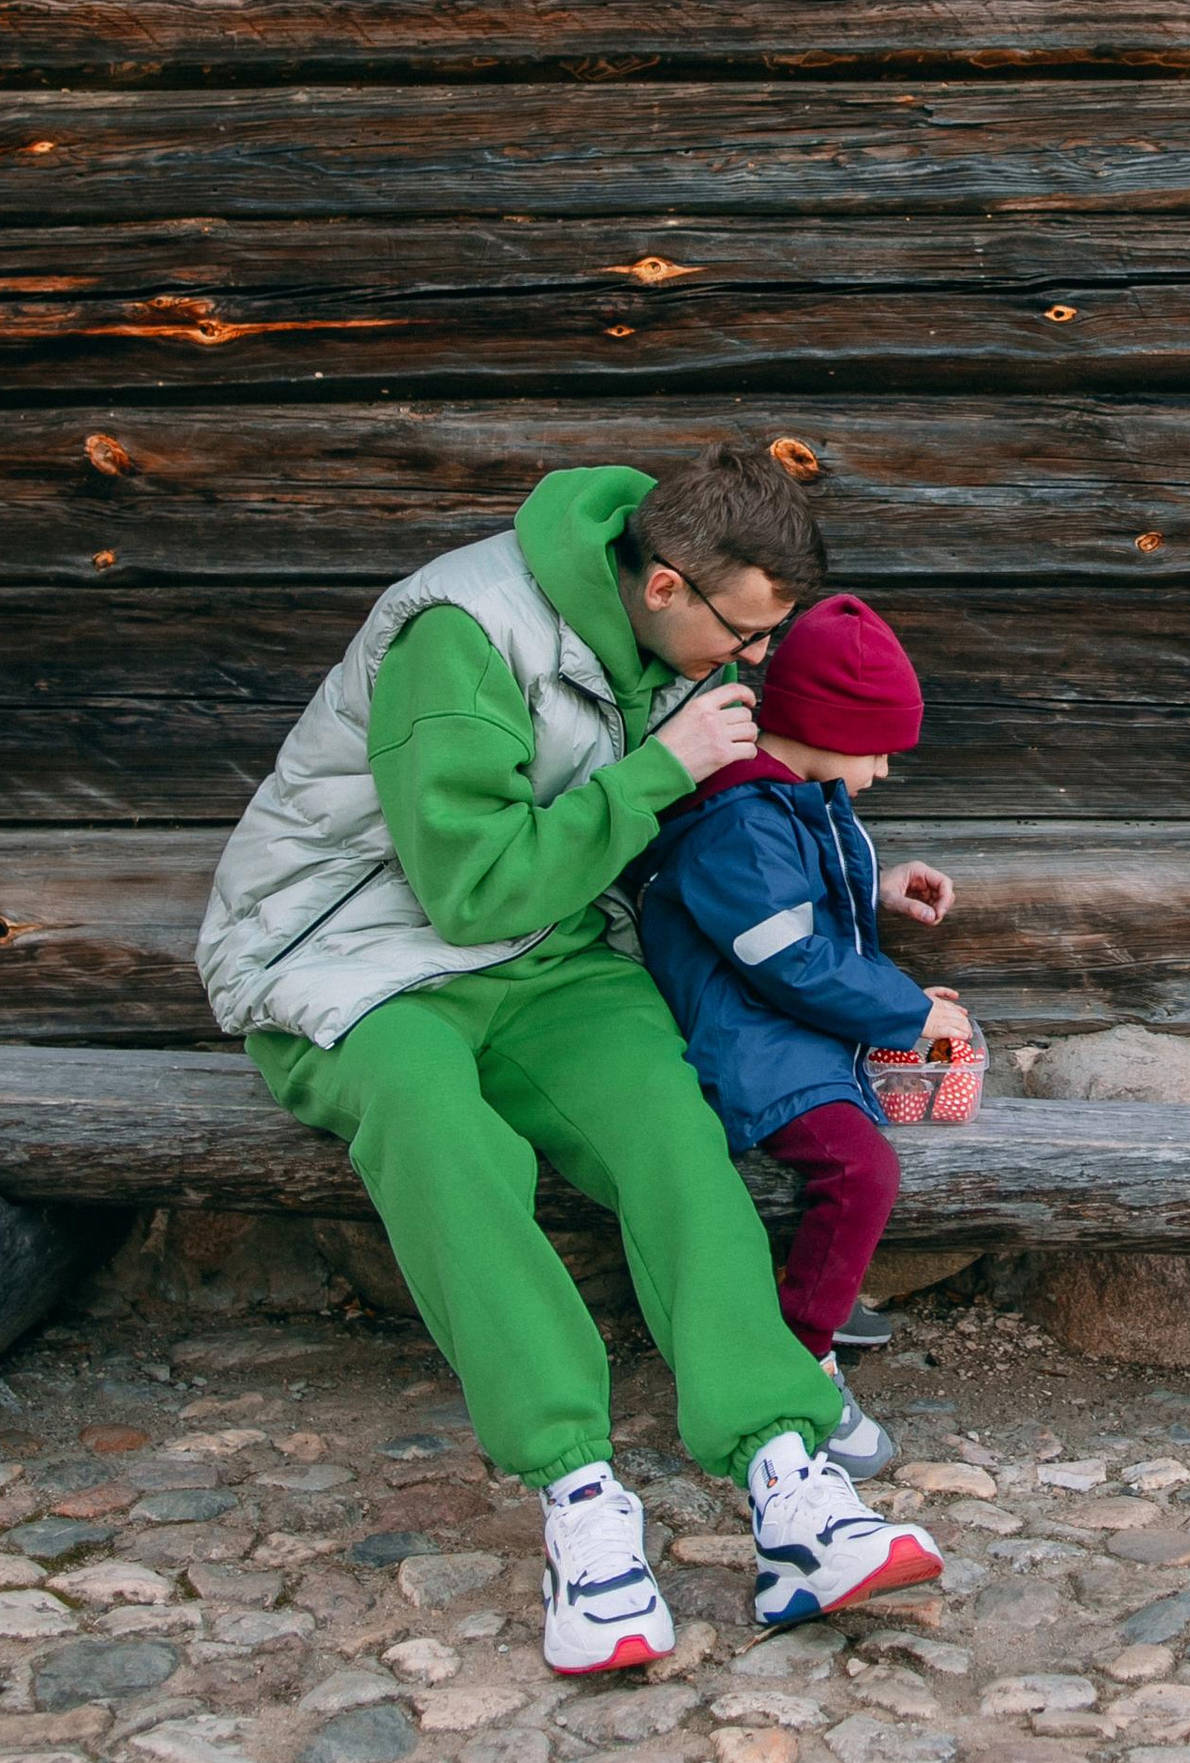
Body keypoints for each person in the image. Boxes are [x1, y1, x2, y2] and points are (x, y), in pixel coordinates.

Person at [194, 451, 944, 1666]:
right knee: (442, 1132)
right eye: (743, 633)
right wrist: (664, 765)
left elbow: (726, 836)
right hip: (353, 958)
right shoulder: (461, 635)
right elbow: (471, 888)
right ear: (663, 589)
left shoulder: (675, 646)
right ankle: (579, 1499)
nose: (754, 661)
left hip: (552, 951)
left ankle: (784, 1472)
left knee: (667, 1121)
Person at [632, 595, 971, 1480]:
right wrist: (905, 1010)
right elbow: (783, 957)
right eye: (879, 749)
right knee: (861, 1169)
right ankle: (799, 1346)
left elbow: (795, 910)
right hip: (750, 1041)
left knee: (904, 1117)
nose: (886, 771)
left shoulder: (789, 796)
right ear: (825, 726)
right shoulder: (740, 821)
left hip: (797, 1025)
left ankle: (820, 1295)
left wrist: (879, 891)